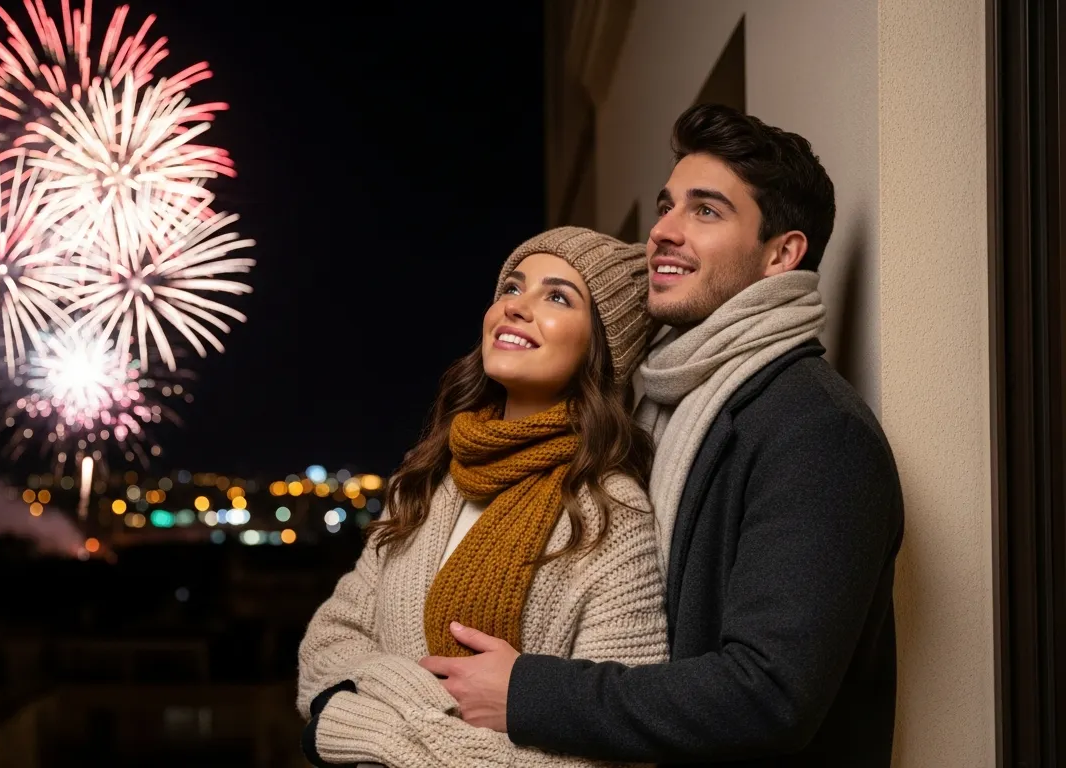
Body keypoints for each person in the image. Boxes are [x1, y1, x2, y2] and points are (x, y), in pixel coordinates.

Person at [421, 104, 905, 768]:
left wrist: (529, 691)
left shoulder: (818, 433)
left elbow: (770, 695)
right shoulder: (653, 399)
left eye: (705, 212)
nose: (663, 232)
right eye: (667, 206)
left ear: (781, 254)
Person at [296, 228, 669, 767]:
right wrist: (425, 701)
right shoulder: (429, 478)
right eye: (512, 288)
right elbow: (327, 647)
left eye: (558, 296)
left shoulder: (611, 514)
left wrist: (371, 731)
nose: (517, 307)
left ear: (600, 348)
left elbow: (615, 754)